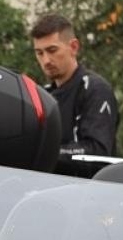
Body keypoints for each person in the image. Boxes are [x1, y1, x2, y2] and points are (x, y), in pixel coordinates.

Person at [29, 14, 118, 156]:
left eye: (52, 50)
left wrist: (47, 153)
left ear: (74, 47)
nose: (46, 60)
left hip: (86, 179)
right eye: (39, 53)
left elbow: (97, 149)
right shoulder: (40, 96)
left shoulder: (95, 89)